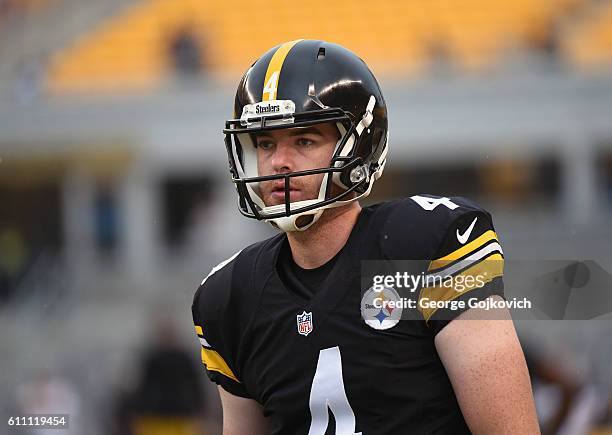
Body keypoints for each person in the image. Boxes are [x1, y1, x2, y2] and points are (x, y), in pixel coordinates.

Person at [191, 39, 539, 434]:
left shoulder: (429, 243)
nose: (278, 162)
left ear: (361, 146)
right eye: (265, 143)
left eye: (304, 141)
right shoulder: (230, 295)